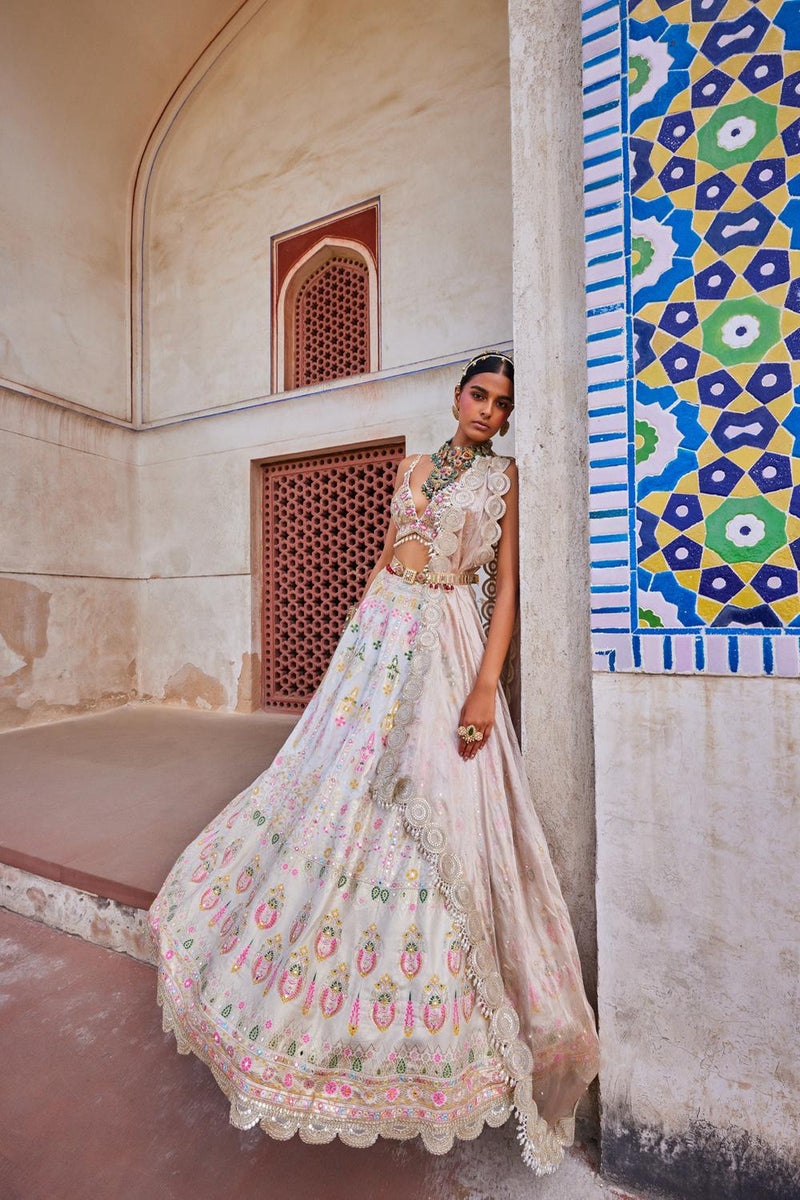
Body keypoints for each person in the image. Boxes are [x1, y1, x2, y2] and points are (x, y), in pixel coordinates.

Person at [148, 351, 600, 1175]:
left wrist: (483, 688)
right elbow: (389, 554)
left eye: (503, 404)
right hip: (377, 639)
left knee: (434, 807)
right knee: (331, 792)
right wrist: (348, 655)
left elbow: (503, 593)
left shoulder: (505, 483)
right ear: (456, 395)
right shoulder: (414, 466)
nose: (489, 412)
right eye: (479, 396)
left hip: (448, 644)